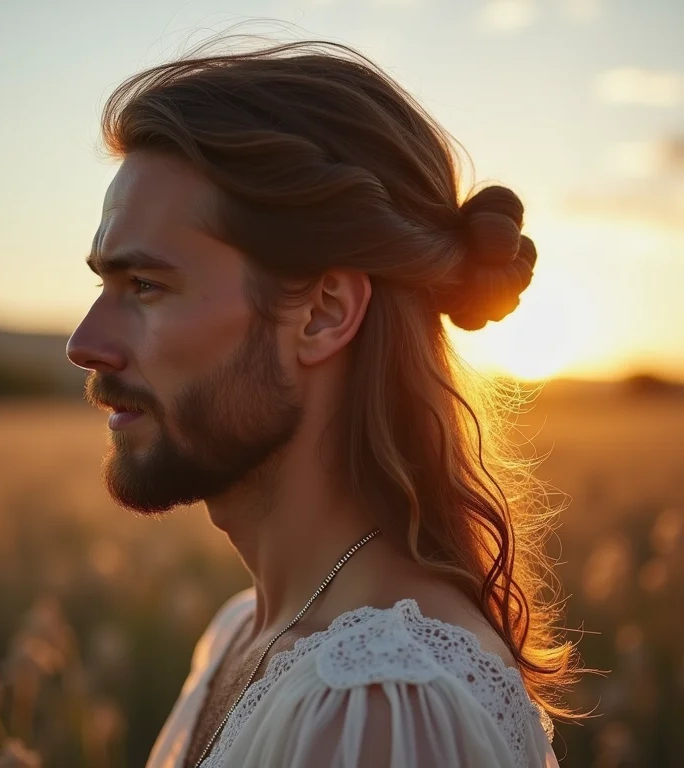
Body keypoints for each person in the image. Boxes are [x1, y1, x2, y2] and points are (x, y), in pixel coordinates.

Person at [66, 37, 581, 768]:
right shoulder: (244, 634)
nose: (85, 344)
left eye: (145, 287)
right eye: (102, 287)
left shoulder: (376, 710)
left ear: (323, 314)